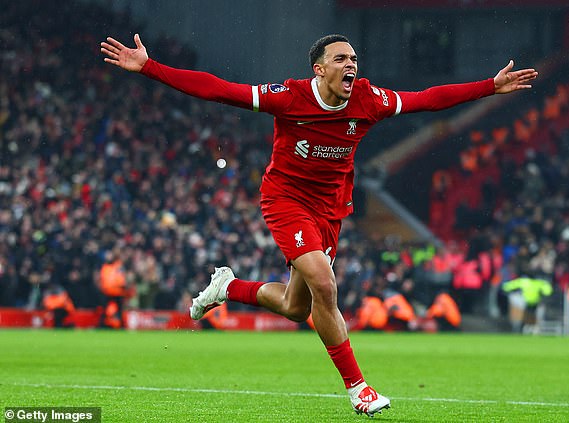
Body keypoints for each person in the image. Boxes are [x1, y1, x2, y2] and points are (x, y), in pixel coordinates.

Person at [101, 33, 537, 416]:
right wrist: (151, 68)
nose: (352, 66)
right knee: (325, 287)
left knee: (297, 308)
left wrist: (489, 87)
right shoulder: (290, 97)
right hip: (286, 200)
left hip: (330, 211)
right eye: (342, 59)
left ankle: (227, 287)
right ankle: (359, 389)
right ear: (320, 68)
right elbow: (219, 90)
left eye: (354, 60)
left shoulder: (369, 100)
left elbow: (428, 99)